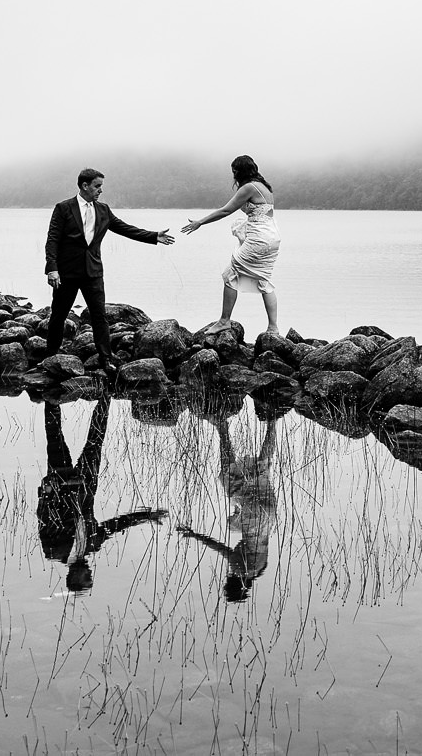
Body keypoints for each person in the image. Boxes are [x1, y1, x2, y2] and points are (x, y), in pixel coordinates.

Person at [45, 168, 174, 367]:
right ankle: (51, 356)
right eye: (97, 186)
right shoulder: (63, 208)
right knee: (58, 315)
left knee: (99, 316)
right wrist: (52, 268)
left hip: (93, 272)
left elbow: (124, 228)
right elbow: (52, 239)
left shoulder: (103, 210)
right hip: (66, 273)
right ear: (84, 185)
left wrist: (153, 236)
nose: (100, 191)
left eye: (101, 187)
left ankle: (106, 359)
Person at [36, 398, 166, 592]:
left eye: (86, 578)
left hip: (60, 483)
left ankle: (52, 396)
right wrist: (146, 516)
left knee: (55, 438)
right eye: (90, 578)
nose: (90, 574)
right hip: (86, 483)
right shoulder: (92, 545)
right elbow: (117, 524)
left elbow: (44, 519)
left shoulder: (54, 551)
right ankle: (105, 397)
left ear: (72, 577)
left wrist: (46, 493)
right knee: (96, 441)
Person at [176, 416, 278, 602]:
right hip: (253, 519)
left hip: (269, 517)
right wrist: (194, 535)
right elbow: (221, 548)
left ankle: (273, 422)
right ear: (232, 583)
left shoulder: (260, 568)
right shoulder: (241, 569)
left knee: (263, 468)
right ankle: (222, 428)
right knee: (227, 475)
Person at [180, 155, 281, 335]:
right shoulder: (264, 187)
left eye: (234, 171)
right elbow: (261, 215)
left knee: (230, 275)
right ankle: (273, 328)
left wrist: (200, 222)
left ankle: (224, 321)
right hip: (272, 238)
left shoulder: (249, 187)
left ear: (239, 171)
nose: (233, 175)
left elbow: (226, 210)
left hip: (259, 239)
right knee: (263, 280)